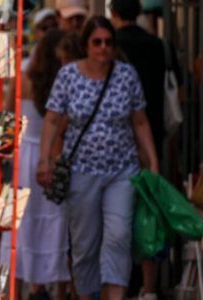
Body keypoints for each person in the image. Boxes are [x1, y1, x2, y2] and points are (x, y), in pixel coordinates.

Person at [37, 16, 158, 300]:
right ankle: (87, 294)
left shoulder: (126, 75)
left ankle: (113, 296)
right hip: (81, 170)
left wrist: (152, 162)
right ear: (86, 45)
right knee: (85, 244)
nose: (103, 48)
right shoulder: (69, 76)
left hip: (121, 170)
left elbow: (140, 121)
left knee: (118, 236)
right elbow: (53, 121)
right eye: (97, 42)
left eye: (108, 42)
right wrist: (44, 160)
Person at [109, 1, 182, 299]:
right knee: (148, 214)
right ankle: (148, 288)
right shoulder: (159, 46)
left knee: (118, 219)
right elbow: (178, 89)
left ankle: (122, 283)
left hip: (119, 143)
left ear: (113, 13)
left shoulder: (107, 46)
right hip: (153, 136)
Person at [13, 29, 84, 300]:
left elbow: (9, 114)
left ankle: (23, 289)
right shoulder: (67, 82)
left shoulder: (25, 79)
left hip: (27, 153)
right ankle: (59, 288)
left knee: (24, 222)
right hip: (58, 153)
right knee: (58, 223)